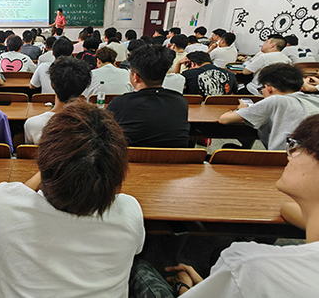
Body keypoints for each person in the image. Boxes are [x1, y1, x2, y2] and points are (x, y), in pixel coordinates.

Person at [132, 114, 319, 297]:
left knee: (137, 266)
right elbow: (286, 209)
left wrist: (184, 285)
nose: (289, 156)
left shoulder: (248, 264)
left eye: (297, 147)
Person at [0, 101, 145, 298]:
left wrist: (51, 167)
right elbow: (137, 248)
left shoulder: (1, 201)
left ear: (41, 160)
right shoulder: (130, 212)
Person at [219, 63, 319, 150]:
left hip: (284, 159)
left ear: (269, 88)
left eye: (261, 89)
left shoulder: (275, 100)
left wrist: (241, 109)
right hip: (313, 157)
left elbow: (224, 119)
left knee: (227, 150)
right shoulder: (314, 98)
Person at [107, 45, 190, 147]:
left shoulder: (120, 103)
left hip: (131, 156)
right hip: (175, 156)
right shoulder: (180, 101)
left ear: (136, 77)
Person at [25, 57, 91, 144]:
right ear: (84, 87)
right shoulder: (92, 124)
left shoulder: (32, 124)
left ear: (52, 85)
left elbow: (29, 150)